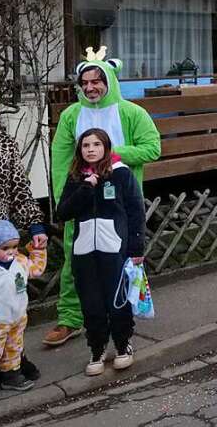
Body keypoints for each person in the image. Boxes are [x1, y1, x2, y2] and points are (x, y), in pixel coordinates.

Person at [44, 48, 159, 348]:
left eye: (97, 81)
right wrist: (63, 198)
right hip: (82, 201)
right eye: (85, 83)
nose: (91, 87)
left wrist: (116, 155)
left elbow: (152, 147)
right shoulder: (71, 115)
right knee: (75, 261)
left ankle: (123, 318)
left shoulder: (132, 113)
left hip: (119, 203)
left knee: (120, 260)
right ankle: (70, 318)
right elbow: (60, 158)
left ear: (109, 80)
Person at [55, 129, 145, 376]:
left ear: (106, 147)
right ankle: (97, 348)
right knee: (91, 302)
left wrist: (137, 247)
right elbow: (62, 212)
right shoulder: (76, 178)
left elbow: (135, 211)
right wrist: (86, 187)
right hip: (84, 251)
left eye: (96, 144)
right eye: (85, 145)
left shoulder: (121, 174)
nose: (91, 149)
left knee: (117, 300)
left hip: (114, 248)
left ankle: (123, 344)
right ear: (80, 150)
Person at [0, 87, 47, 382]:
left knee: (7, 304)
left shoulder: (5, 143)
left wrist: (35, 225)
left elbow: (19, 188)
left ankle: (12, 360)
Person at [0, 220, 47, 403]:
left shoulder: (21, 261)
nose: (12, 251)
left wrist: (37, 250)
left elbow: (36, 269)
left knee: (14, 348)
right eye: (5, 248)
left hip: (17, 319)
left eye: (15, 246)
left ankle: (11, 375)